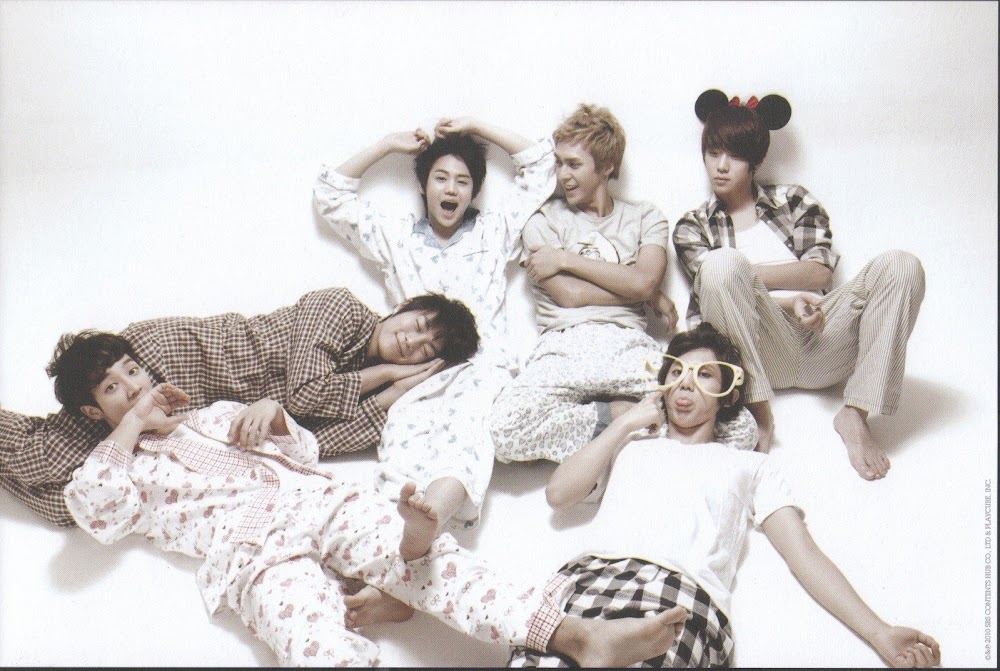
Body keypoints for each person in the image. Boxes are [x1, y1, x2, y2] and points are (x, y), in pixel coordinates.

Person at [57, 330, 689, 667]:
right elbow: (97, 513)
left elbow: (305, 453)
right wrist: (131, 427)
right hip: (253, 551)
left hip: (317, 499)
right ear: (94, 411)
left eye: (133, 371)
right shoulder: (117, 465)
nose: (132, 388)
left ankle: (573, 635)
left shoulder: (215, 413)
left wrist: (274, 414)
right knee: (310, 642)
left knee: (434, 561)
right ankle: (388, 583)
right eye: (112, 389)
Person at [510, 322, 941, 667]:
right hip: (587, 583)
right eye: (676, 373)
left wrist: (879, 632)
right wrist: (625, 423)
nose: (685, 384)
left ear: (728, 396)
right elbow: (559, 494)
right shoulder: (631, 446)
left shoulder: (749, 465)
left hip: (675, 596)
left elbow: (803, 554)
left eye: (704, 375)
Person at [0, 287, 477, 526]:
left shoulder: (373, 393)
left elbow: (314, 445)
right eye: (418, 324)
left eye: (427, 350)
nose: (412, 341)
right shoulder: (341, 307)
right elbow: (305, 394)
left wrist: (391, 397)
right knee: (41, 458)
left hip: (192, 413)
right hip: (171, 360)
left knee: (66, 510)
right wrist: (388, 375)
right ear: (403, 308)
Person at [314, 116, 556, 532]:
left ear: (474, 191)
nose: (451, 189)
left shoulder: (493, 231)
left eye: (463, 182)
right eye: (440, 178)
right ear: (423, 185)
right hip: (418, 371)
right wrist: (386, 144)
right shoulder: (398, 238)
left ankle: (434, 517)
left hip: (481, 367)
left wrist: (478, 124)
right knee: (400, 442)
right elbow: (330, 194)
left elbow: (540, 165)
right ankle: (393, 531)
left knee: (468, 431)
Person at [673, 89, 925, 476]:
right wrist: (784, 299)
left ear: (756, 161)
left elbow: (819, 272)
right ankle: (758, 411)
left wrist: (749, 280)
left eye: (735, 156)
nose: (721, 166)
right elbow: (715, 290)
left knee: (902, 265)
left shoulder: (793, 201)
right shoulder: (694, 227)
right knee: (721, 266)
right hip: (757, 350)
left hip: (823, 337)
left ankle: (856, 413)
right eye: (713, 153)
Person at [489, 103, 755, 464]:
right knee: (504, 430)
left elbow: (643, 282)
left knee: (741, 429)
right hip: (564, 347)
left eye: (574, 164)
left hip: (629, 346)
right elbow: (569, 296)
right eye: (559, 163)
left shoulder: (645, 217)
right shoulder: (542, 221)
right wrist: (641, 291)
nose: (562, 175)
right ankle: (617, 416)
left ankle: (623, 436)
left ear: (607, 166)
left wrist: (566, 259)